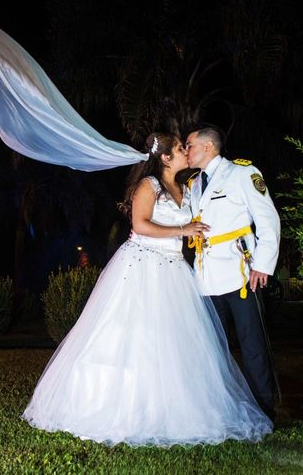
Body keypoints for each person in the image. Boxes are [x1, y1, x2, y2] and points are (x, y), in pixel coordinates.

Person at [23, 132, 273, 446]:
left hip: (177, 269)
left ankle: (176, 405)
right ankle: (127, 408)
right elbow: (140, 225)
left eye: (188, 146)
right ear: (166, 157)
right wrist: (184, 229)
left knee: (173, 344)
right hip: (142, 267)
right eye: (182, 148)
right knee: (136, 338)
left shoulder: (189, 187)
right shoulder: (149, 185)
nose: (186, 151)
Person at [184, 127, 280, 421]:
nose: (186, 151)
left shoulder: (242, 173)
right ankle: (220, 408)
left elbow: (267, 218)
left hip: (240, 274)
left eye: (189, 146)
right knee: (213, 348)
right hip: (206, 278)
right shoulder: (193, 184)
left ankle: (264, 408)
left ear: (209, 146)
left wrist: (263, 264)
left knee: (252, 345)